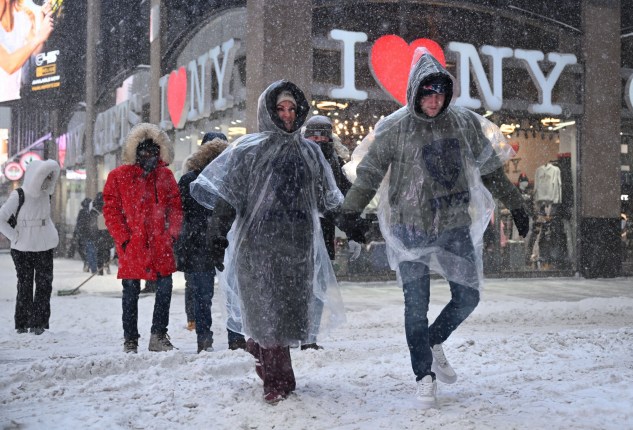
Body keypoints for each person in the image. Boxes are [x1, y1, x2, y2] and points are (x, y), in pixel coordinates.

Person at [336, 48, 529, 405]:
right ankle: (423, 373)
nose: (434, 100)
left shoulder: (463, 123)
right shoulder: (395, 128)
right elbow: (369, 175)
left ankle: (434, 338)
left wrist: (516, 205)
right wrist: (350, 213)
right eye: (427, 92)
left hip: (454, 227)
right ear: (415, 92)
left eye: (440, 93)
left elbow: (491, 170)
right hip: (410, 230)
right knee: (415, 307)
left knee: (468, 296)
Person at [190, 80, 346, 403]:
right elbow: (228, 197)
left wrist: (353, 221)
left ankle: (260, 350)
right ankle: (278, 381)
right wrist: (217, 235)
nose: (287, 115)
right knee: (268, 312)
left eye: (292, 109)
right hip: (258, 249)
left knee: (287, 315)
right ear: (269, 112)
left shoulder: (310, 153)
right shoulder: (249, 150)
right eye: (280, 109)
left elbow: (328, 198)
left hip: (298, 247)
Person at [103, 123, 183, 354]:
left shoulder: (165, 176)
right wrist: (124, 238)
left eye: (153, 152)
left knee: (165, 287)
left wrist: (171, 234)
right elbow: (111, 210)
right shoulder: (118, 176)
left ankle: (158, 335)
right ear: (136, 151)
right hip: (134, 245)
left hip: (160, 244)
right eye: (145, 151)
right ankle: (130, 339)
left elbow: (175, 208)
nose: (149, 156)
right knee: (130, 292)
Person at [175, 132, 247, 353]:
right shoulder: (232, 178)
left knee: (203, 296)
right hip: (225, 241)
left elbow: (180, 213)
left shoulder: (190, 179)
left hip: (201, 244)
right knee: (231, 293)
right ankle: (235, 338)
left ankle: (204, 340)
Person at [301, 115, 353, 350]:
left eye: (323, 135)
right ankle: (298, 334)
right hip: (296, 233)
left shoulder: (335, 163)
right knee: (299, 287)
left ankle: (309, 337)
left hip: (323, 231)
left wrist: (353, 231)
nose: (318, 140)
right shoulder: (297, 157)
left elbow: (346, 200)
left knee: (319, 286)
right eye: (314, 135)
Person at [0, 159, 60, 335]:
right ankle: (23, 322)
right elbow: (1, 218)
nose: (48, 181)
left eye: (51, 177)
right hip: (22, 248)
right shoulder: (19, 195)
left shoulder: (46, 195)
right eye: (45, 176)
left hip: (44, 246)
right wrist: (14, 237)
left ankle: (39, 323)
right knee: (25, 285)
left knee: (44, 284)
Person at [0, 0, 53, 102]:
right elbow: (9, 65)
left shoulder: (21, 18)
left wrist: (40, 15)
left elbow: (36, 51)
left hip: (15, 100)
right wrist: (39, 37)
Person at [72, 197, 92, 271]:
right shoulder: (90, 211)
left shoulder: (82, 212)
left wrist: (75, 233)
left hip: (82, 233)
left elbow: (78, 223)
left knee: (81, 249)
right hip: (88, 234)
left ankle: (86, 262)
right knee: (88, 249)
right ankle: (87, 262)